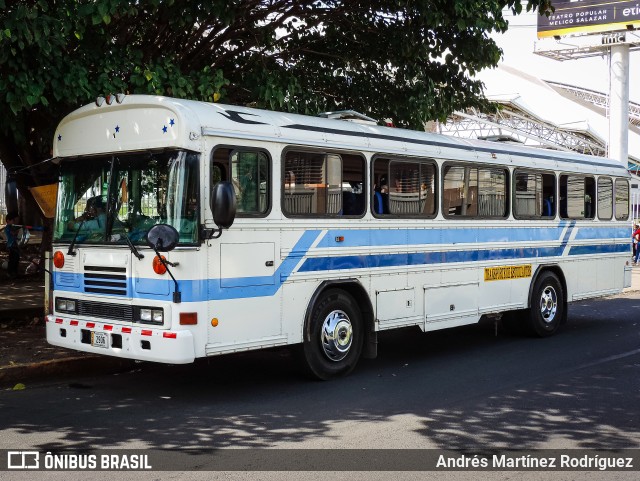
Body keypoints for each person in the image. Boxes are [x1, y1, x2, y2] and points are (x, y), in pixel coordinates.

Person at [4, 212, 20, 279]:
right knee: (12, 260)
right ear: (8, 221)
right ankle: (9, 273)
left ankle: (14, 273)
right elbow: (13, 233)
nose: (13, 222)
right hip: (11, 245)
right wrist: (17, 231)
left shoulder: (11, 227)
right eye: (12, 221)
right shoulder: (8, 227)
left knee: (16, 259)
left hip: (15, 245)